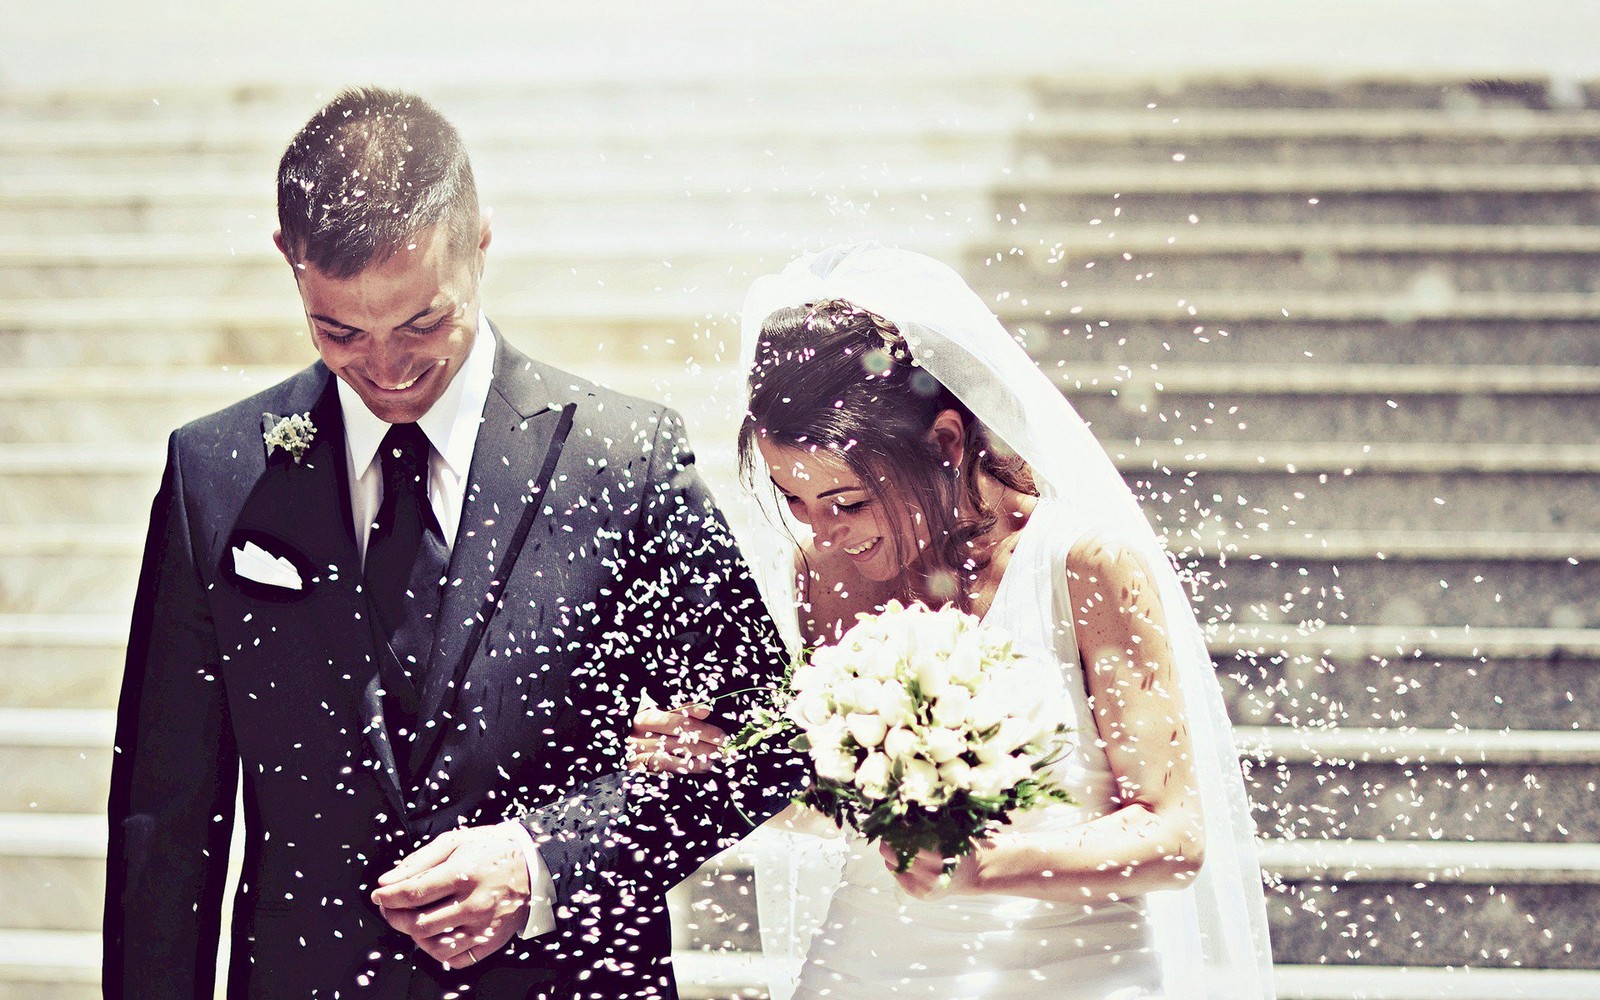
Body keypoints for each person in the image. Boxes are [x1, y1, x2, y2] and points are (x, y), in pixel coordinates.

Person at [103, 87, 801, 1000]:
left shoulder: (621, 460)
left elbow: (769, 737)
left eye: (423, 322)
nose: (388, 370)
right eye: (339, 330)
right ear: (289, 262)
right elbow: (166, 817)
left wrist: (542, 857)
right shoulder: (214, 474)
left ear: (478, 240)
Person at [630, 245, 1276, 999]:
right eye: (795, 501)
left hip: (1070, 972)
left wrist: (987, 864)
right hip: (863, 968)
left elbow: (1173, 837)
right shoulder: (826, 576)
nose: (823, 531)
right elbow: (848, 807)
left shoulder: (1086, 568)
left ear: (944, 442)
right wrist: (733, 769)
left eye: (847, 502)